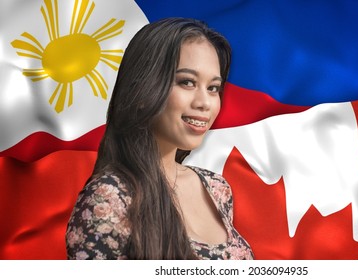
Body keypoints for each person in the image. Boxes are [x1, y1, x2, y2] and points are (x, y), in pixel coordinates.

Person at [65, 18, 254, 260]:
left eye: (213, 88)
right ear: (143, 90)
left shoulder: (217, 188)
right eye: (187, 82)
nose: (204, 103)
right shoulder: (109, 197)